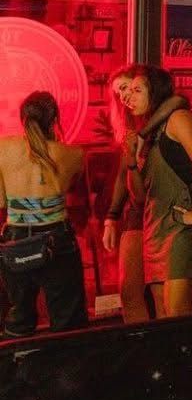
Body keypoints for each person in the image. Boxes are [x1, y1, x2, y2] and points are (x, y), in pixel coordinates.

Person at [123, 65, 192, 318]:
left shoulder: (178, 118)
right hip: (155, 228)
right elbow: (139, 197)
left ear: (156, 93)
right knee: (162, 315)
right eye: (128, 90)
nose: (129, 97)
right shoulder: (147, 133)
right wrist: (131, 160)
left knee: (177, 314)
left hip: (178, 227)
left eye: (137, 90)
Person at [0, 92, 88, 337]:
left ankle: (18, 372)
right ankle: (63, 374)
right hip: (57, 239)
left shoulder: (2, 148)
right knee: (68, 324)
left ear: (22, 118)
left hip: (16, 239)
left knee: (18, 318)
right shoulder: (74, 154)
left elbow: (0, 201)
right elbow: (76, 197)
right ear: (54, 119)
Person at [101, 64, 150, 323]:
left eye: (126, 89)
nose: (123, 97)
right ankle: (144, 351)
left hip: (157, 208)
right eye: (118, 94)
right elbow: (123, 173)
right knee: (130, 290)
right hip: (137, 211)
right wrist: (111, 215)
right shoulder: (129, 126)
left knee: (155, 293)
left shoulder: (159, 122)